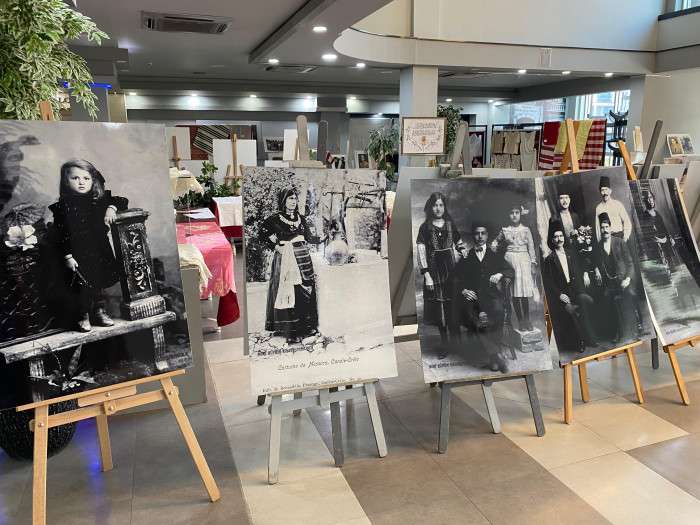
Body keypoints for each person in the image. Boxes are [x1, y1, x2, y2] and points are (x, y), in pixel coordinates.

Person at [49, 159, 128, 332]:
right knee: (81, 285)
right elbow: (60, 234)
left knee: (98, 283)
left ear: (93, 180)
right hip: (77, 253)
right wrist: (68, 256)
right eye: (75, 178)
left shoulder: (98, 200)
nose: (81, 182)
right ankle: (83, 314)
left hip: (99, 250)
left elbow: (122, 200)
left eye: (86, 178)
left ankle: (99, 311)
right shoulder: (63, 207)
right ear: (66, 181)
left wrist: (111, 208)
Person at [260, 188, 318, 344]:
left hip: (303, 259)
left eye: (295, 199)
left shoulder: (301, 219)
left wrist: (327, 237)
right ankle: (290, 331)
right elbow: (262, 234)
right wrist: (275, 247)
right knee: (289, 289)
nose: (293, 201)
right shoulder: (275, 219)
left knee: (304, 290)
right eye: (290, 198)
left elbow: (309, 238)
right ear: (283, 200)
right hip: (285, 258)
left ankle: (306, 327)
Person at [453, 223, 513, 372]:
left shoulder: (494, 255)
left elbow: (510, 270)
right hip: (472, 297)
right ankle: (496, 355)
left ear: (487, 236)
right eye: (477, 233)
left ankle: (493, 357)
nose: (480, 236)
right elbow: (454, 278)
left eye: (483, 233)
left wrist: (500, 274)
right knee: (474, 318)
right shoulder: (467, 256)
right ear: (473, 236)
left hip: (490, 295)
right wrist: (463, 290)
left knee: (499, 311)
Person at [416, 192, 463, 359]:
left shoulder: (450, 224)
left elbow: (458, 242)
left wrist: (463, 251)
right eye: (435, 205)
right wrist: (427, 275)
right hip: (434, 271)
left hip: (451, 269)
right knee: (440, 309)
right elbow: (421, 251)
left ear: (444, 207)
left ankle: (457, 343)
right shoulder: (425, 227)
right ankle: (445, 344)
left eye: (441, 205)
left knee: (453, 306)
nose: (438, 208)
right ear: (430, 207)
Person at [542, 219, 597, 353]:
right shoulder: (549, 259)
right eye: (556, 237)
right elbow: (548, 282)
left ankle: (590, 337)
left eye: (561, 236)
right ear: (552, 240)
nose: (559, 239)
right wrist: (559, 295)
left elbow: (581, 265)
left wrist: (585, 274)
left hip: (575, 291)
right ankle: (579, 341)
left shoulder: (571, 253)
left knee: (587, 301)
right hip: (563, 295)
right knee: (570, 311)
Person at [492, 203, 538, 332]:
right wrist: (494, 246)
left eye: (516, 212)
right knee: (515, 293)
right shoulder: (505, 230)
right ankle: (520, 321)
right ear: (508, 215)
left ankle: (527, 320)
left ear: (520, 214)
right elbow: (496, 241)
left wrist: (533, 262)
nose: (514, 215)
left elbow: (531, 247)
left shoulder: (526, 229)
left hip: (524, 260)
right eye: (511, 213)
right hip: (510, 261)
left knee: (523, 293)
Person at [596, 212, 640, 343]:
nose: (605, 230)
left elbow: (630, 263)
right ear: (600, 229)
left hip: (624, 279)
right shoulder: (598, 247)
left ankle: (638, 322)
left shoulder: (619, 242)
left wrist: (627, 279)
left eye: (606, 227)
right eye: (602, 228)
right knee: (606, 298)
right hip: (610, 283)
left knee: (630, 293)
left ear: (610, 227)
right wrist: (596, 270)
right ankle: (617, 331)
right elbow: (597, 263)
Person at [595, 175, 632, 242]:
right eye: (602, 190)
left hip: (619, 236)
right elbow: (597, 228)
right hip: (606, 239)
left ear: (610, 191)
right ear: (600, 192)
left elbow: (627, 221)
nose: (604, 193)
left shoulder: (618, 204)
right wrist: (600, 243)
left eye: (606, 189)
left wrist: (625, 237)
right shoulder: (598, 208)